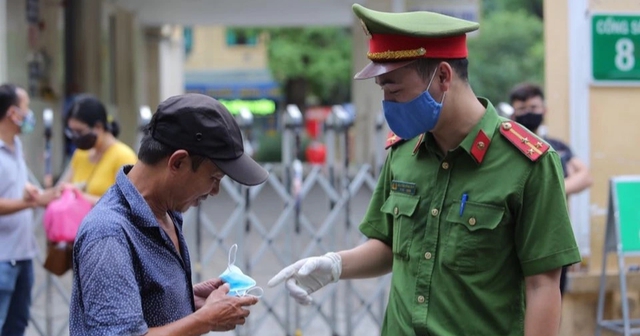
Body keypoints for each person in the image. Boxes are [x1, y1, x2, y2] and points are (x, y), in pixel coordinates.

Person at [268, 5, 581, 336]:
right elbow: (389, 246)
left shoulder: (527, 163)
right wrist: (334, 265)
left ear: (443, 76)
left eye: (395, 89)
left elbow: (543, 284)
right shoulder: (404, 152)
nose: (387, 103)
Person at [69, 93, 269, 335]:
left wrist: (184, 302)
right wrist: (205, 320)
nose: (215, 191)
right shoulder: (108, 234)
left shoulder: (167, 212)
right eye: (214, 178)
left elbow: (141, 310)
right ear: (177, 163)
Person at [509, 82, 593, 294]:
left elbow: (585, 176)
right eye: (522, 109)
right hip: (514, 239)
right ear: (513, 114)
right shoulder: (505, 147)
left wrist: (550, 189)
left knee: (552, 296)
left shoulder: (557, 148)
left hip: (553, 236)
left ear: (544, 110)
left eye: (534, 108)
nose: (529, 113)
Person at [0, 83, 60, 335]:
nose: (29, 115)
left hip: (23, 254)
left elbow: (12, 187)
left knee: (17, 325)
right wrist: (34, 202)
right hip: (2, 257)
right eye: (26, 108)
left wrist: (30, 192)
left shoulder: (17, 146)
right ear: (13, 113)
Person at [59, 94, 137, 204]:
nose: (75, 136)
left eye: (79, 131)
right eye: (72, 131)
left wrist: (80, 197)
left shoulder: (123, 156)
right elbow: (60, 189)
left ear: (98, 127)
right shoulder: (81, 154)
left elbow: (126, 204)